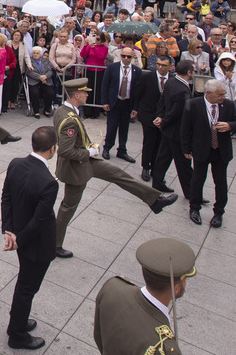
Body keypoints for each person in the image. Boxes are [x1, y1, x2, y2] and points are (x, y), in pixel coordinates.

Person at [52, 79, 176, 259]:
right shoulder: (69, 119)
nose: (88, 95)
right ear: (76, 95)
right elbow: (65, 150)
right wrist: (88, 152)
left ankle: (154, 200)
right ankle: (54, 245)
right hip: (76, 168)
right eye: (85, 93)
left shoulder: (64, 111)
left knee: (119, 175)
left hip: (86, 162)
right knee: (68, 207)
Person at [93, 238, 196, 355]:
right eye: (185, 279)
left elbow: (99, 337)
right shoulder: (164, 352)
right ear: (177, 288)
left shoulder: (113, 287)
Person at [1, 125, 59, 351]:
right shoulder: (49, 182)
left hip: (20, 236)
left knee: (24, 284)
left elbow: (6, 197)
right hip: (36, 246)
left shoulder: (15, 164)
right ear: (52, 149)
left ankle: (18, 321)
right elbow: (39, 221)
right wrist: (20, 240)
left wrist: (9, 230)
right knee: (27, 288)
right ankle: (17, 334)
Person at [181, 79, 236, 227]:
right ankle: (194, 208)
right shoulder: (193, 105)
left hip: (221, 150)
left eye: (224, 94)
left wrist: (229, 126)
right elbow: (186, 129)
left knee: (221, 182)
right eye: (220, 94)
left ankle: (219, 212)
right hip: (201, 149)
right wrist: (186, 149)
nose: (223, 97)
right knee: (198, 180)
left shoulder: (228, 105)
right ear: (209, 94)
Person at [149, 61, 195, 200]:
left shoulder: (171, 81)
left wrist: (160, 116)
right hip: (176, 132)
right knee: (184, 165)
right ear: (188, 72)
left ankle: (157, 183)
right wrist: (163, 120)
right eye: (193, 71)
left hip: (168, 130)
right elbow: (176, 112)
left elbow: (162, 101)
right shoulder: (182, 90)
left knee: (163, 158)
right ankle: (192, 193)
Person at [131, 55, 171, 182]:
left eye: (164, 65)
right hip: (148, 114)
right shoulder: (147, 77)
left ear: (170, 66)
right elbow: (137, 93)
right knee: (149, 142)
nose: (160, 67)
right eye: (159, 64)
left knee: (160, 144)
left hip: (165, 117)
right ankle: (146, 167)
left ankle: (156, 168)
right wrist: (138, 109)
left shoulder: (173, 80)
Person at [100, 45, 140, 162]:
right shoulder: (112, 68)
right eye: (124, 56)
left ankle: (122, 150)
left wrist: (135, 107)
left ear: (132, 57)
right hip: (114, 102)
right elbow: (105, 85)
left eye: (129, 56)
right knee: (111, 126)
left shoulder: (136, 71)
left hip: (127, 103)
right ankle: (107, 147)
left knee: (124, 127)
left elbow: (137, 91)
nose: (126, 58)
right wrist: (105, 102)